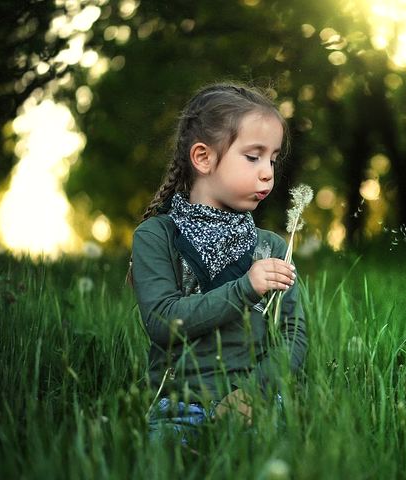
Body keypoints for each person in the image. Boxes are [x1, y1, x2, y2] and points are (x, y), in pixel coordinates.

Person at [127, 82, 307, 441]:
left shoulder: (272, 246)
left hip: (257, 399)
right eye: (253, 157)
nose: (268, 171)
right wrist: (246, 288)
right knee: (165, 453)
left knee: (269, 454)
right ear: (203, 158)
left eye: (272, 159)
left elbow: (293, 335)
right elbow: (163, 322)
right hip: (180, 403)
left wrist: (254, 392)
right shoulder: (156, 237)